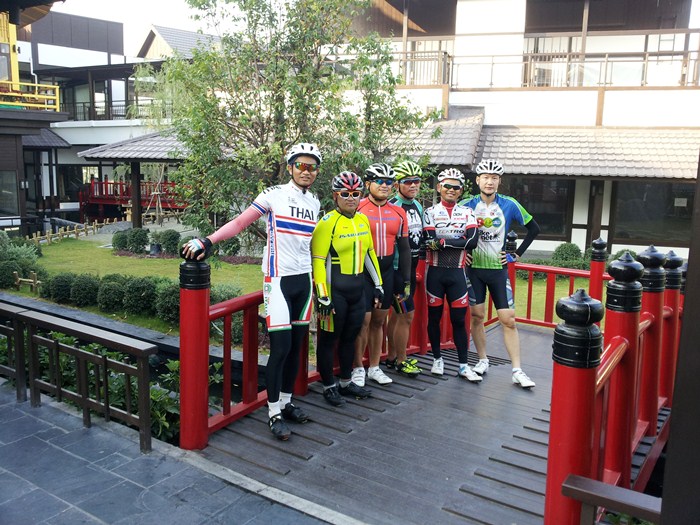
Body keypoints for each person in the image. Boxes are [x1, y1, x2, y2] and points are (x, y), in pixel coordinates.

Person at [182, 143, 321, 440]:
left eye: (312, 167)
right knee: (281, 348)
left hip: (304, 280)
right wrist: (208, 241)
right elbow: (240, 222)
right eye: (301, 165)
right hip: (278, 280)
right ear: (290, 167)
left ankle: (286, 403)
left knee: (296, 347)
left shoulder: (314, 202)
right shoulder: (273, 195)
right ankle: (273, 413)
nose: (306, 171)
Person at [460, 159, 541, 389]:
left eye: (494, 178)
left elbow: (534, 228)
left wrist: (516, 254)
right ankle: (482, 360)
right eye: (485, 177)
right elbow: (452, 231)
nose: (489, 182)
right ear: (478, 180)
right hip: (474, 270)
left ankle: (517, 370)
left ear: (499, 181)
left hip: (498, 270)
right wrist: (462, 253)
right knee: (477, 316)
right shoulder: (466, 205)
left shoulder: (510, 204)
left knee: (508, 319)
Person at [310, 172, 383, 406]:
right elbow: (318, 261)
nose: (351, 198)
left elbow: (369, 254)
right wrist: (323, 295)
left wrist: (378, 284)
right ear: (335, 196)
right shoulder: (327, 223)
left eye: (355, 194)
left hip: (357, 290)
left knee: (351, 337)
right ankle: (328, 386)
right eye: (345, 194)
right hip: (335, 292)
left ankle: (345, 381)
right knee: (329, 339)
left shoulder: (362, 220)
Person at [351, 163, 411, 387]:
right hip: (362, 272)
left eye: (389, 182)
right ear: (368, 184)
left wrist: (405, 280)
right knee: (363, 321)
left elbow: (404, 249)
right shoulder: (358, 207)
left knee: (379, 321)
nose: (385, 186)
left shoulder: (399, 212)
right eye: (379, 181)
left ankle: (374, 367)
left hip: (387, 272)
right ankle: (358, 367)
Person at [423, 168, 482, 382]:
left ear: (461, 190)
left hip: (457, 273)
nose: (451, 190)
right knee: (435, 318)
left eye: (456, 187)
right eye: (447, 186)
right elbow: (430, 243)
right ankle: (437, 359)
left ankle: (464, 365)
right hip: (435, 273)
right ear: (439, 187)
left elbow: (472, 242)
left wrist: (443, 242)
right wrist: (457, 242)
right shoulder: (430, 212)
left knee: (459, 320)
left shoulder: (467, 212)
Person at [384, 160, 424, 377]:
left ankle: (392, 357)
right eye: (408, 182)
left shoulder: (417, 205)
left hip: (411, 266)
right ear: (397, 184)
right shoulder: (392, 206)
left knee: (398, 316)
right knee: (405, 316)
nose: (413, 185)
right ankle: (401, 360)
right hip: (397, 268)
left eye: (416, 181)